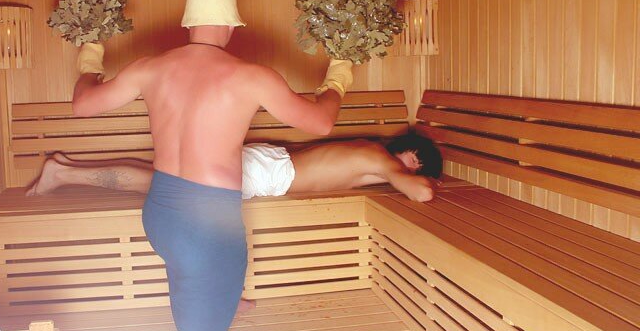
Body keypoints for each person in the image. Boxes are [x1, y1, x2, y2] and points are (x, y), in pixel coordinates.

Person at [67, 0, 351, 331]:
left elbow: (83, 105)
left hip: (162, 214)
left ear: (189, 23)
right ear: (231, 25)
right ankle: (211, 308)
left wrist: (90, 54)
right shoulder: (251, 76)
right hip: (208, 231)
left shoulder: (150, 68)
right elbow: (321, 122)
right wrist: (339, 77)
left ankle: (219, 299)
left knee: (195, 273)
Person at [27, 133, 442, 203]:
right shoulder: (383, 160)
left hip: (267, 166)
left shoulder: (372, 154)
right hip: (265, 174)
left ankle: (65, 166)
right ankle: (62, 174)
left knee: (164, 178)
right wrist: (416, 179)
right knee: (162, 186)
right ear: (407, 154)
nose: (408, 171)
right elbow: (420, 192)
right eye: (414, 163)